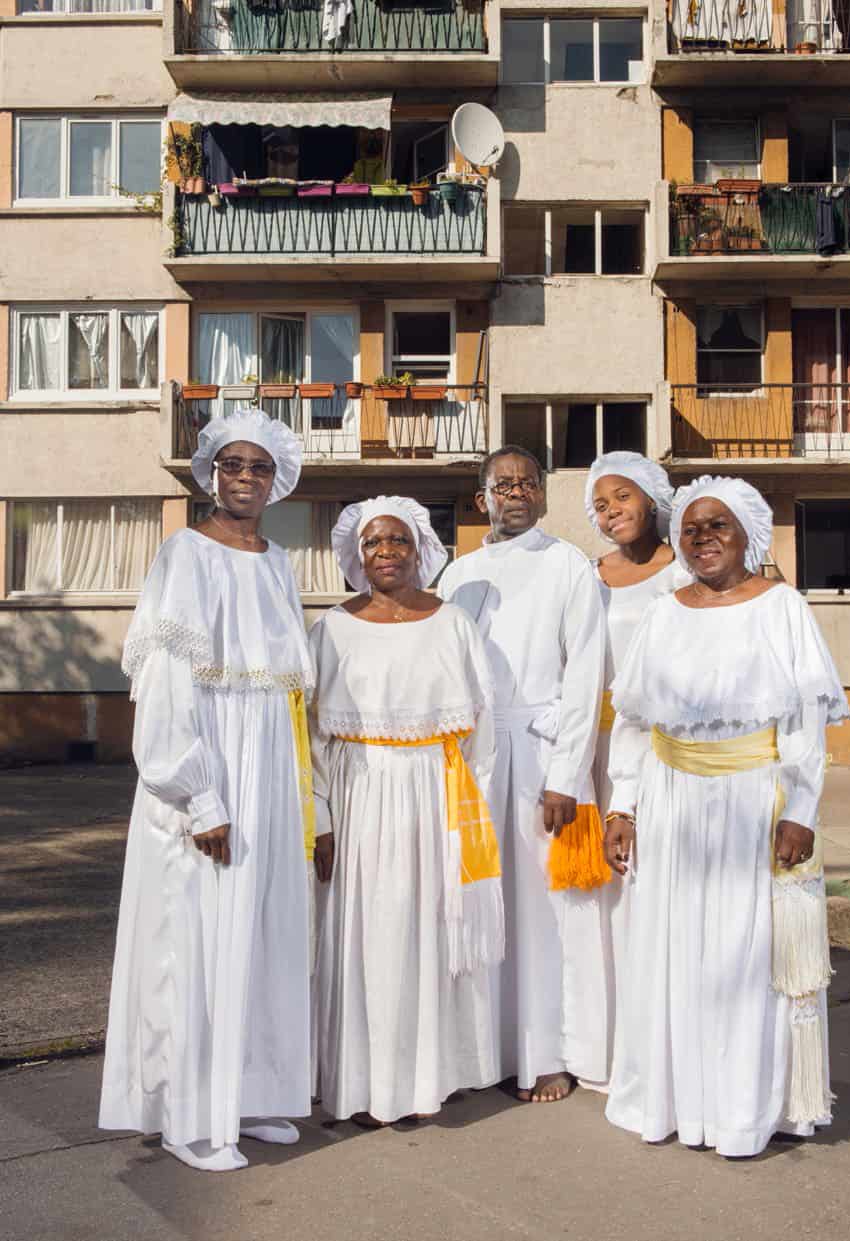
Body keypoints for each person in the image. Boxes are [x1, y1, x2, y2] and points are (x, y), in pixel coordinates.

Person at [603, 475, 849, 1157]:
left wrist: (801, 808)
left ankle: (743, 1107)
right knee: (674, 949)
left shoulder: (781, 607)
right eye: (690, 527)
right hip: (670, 799)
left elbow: (804, 721)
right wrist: (622, 804)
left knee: (744, 956)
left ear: (747, 536)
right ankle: (678, 1101)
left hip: (751, 800)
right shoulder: (661, 611)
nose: (702, 538)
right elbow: (633, 717)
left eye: (718, 527)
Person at [99, 409, 316, 1173]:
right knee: (194, 935)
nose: (246, 479)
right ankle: (190, 1115)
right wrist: (200, 796)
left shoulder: (279, 562)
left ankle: (247, 1095)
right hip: (213, 762)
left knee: (259, 933)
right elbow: (163, 682)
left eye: (259, 467)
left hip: (272, 768)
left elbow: (292, 694)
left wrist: (307, 798)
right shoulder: (183, 554)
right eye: (233, 466)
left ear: (277, 480)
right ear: (212, 475)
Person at [309, 497, 503, 1127]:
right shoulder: (331, 629)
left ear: (420, 550)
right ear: (355, 557)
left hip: (435, 797)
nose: (385, 552)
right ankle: (364, 1086)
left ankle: (426, 1082)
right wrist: (322, 818)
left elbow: (484, 730)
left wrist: (471, 818)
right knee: (367, 939)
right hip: (359, 795)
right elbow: (309, 737)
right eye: (372, 543)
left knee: (428, 934)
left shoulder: (452, 625)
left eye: (397, 541)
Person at [438, 446, 609, 1104]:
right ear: (482, 498)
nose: (515, 493)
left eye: (526, 483)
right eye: (501, 485)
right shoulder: (460, 574)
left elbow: (586, 669)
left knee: (544, 909)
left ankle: (545, 1054)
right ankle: (476, 1051)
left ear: (542, 493)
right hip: (477, 760)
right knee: (479, 900)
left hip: (543, 753)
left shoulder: (566, 564)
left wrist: (566, 773)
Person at [583, 451, 693, 1074]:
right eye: (599, 504)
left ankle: (660, 1037)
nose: (611, 512)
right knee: (605, 887)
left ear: (651, 498)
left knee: (651, 880)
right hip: (600, 746)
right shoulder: (589, 575)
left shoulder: (686, 570)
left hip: (662, 744)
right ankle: (612, 1034)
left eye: (622, 497)